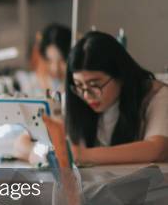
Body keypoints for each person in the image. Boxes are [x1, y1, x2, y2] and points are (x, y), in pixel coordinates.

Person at [66, 31, 168, 165]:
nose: (86, 95)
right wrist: (35, 152)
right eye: (79, 85)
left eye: (95, 85)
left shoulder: (155, 95)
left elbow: (157, 149)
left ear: (120, 75)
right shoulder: (76, 97)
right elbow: (30, 140)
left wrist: (83, 155)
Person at [13, 24, 71, 162]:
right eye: (50, 61)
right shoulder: (34, 84)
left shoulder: (77, 87)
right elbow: (21, 144)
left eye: (62, 61)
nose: (55, 68)